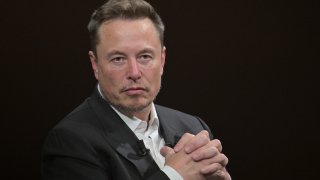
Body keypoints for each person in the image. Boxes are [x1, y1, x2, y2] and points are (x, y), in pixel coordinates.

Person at [41, 0, 231, 179]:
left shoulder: (193, 127)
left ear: (162, 60)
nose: (134, 72)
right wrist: (174, 175)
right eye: (118, 59)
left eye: (145, 56)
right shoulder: (70, 141)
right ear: (95, 64)